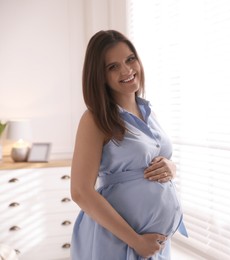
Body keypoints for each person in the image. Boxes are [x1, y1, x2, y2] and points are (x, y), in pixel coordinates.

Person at [70, 30, 187, 260]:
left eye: (130, 59)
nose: (126, 70)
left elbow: (149, 159)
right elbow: (80, 192)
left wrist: (171, 168)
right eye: (112, 67)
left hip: (154, 243)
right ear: (99, 76)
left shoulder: (148, 112)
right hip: (118, 240)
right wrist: (136, 241)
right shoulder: (94, 119)